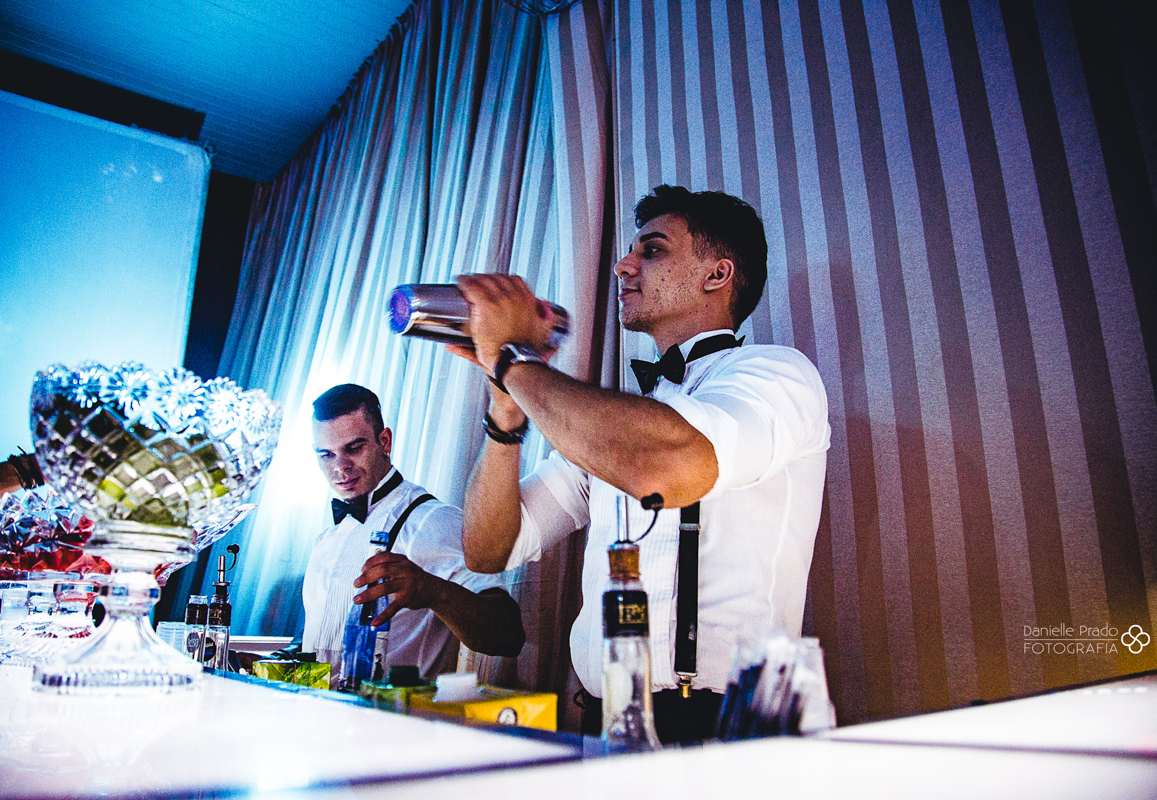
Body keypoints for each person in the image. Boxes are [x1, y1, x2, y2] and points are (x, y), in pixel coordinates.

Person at [451, 185, 831, 743]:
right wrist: (506, 412)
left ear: (718, 274)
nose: (622, 266)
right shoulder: (616, 427)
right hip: (605, 718)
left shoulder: (777, 375)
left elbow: (667, 466)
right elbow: (489, 551)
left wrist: (511, 360)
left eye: (651, 250)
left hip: (727, 726)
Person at [301, 383, 524, 688]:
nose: (340, 467)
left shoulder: (431, 519)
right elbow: (323, 639)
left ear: (384, 441)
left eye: (353, 448)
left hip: (392, 714)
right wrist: (279, 659)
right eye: (326, 454)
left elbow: (508, 634)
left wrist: (431, 590)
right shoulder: (326, 538)